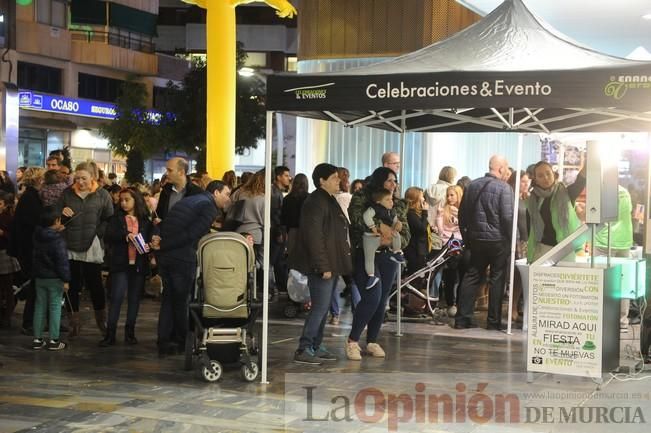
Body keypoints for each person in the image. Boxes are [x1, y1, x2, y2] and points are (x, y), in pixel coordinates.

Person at [290, 163, 352, 365]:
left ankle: (316, 345)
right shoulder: (315, 202)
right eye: (334, 178)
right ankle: (304, 348)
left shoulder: (329, 200)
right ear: (322, 181)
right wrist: (322, 265)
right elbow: (314, 236)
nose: (339, 181)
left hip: (332, 263)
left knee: (324, 308)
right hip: (322, 265)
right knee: (319, 308)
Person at [347, 167, 410, 360]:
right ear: (379, 181)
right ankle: (352, 341)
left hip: (387, 255)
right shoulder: (361, 198)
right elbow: (358, 221)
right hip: (366, 253)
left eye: (395, 181)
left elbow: (405, 233)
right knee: (372, 296)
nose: (394, 185)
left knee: (382, 300)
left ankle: (372, 340)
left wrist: (390, 239)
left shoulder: (398, 204)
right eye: (390, 181)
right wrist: (381, 227)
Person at [152, 189, 219, 356]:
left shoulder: (191, 200)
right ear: (216, 192)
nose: (228, 198)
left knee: (168, 299)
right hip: (182, 258)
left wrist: (163, 246)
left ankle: (163, 341)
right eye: (226, 193)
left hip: (167, 258)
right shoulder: (209, 206)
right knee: (181, 301)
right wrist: (165, 245)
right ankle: (183, 342)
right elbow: (193, 234)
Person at [455, 155, 513, 330]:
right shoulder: (505, 188)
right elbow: (507, 217)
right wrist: (512, 240)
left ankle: (462, 318)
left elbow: (462, 214)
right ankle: (493, 321)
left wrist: (467, 238)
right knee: (497, 278)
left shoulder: (472, 185)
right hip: (497, 241)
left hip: (475, 240)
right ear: (501, 169)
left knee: (472, 276)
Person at [57, 161, 114, 336]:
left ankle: (101, 321)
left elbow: (108, 218)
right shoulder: (67, 193)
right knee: (72, 285)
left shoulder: (102, 195)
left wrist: (99, 233)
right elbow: (56, 218)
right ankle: (74, 322)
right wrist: (61, 214)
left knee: (95, 284)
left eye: (84, 178)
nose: (80, 182)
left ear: (93, 177)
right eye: (77, 178)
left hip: (92, 244)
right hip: (70, 243)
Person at [100, 188, 153, 347]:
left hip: (138, 263)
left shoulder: (145, 220)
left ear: (135, 200)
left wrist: (151, 244)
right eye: (121, 200)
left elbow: (150, 239)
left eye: (127, 200)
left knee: (134, 299)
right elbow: (108, 236)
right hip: (120, 263)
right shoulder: (116, 219)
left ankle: (130, 332)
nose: (123, 203)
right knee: (116, 298)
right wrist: (125, 236)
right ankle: (111, 333)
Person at [9, 167, 45, 334]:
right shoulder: (31, 198)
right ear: (38, 179)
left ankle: (31, 320)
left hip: (28, 247)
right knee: (34, 284)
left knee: (34, 284)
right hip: (29, 248)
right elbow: (33, 224)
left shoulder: (30, 196)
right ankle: (29, 321)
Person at [526, 161, 585, 263]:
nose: (546, 178)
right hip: (542, 250)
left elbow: (580, 181)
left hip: (565, 249)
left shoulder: (566, 194)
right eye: (540, 176)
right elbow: (530, 230)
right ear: (535, 180)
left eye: (548, 173)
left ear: (554, 174)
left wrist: (590, 160)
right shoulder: (532, 200)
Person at [594, 185, 633, 331]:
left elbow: (596, 215)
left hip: (604, 241)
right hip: (624, 241)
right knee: (623, 283)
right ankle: (622, 321)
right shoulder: (625, 191)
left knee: (601, 282)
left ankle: (602, 320)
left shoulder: (602, 190)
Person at [31, 206, 70, 351]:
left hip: (40, 278)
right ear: (57, 220)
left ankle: (37, 339)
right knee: (55, 308)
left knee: (39, 307)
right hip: (55, 279)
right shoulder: (58, 241)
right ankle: (54, 340)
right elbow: (62, 262)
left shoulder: (37, 236)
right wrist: (66, 279)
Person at [361, 188, 405, 289]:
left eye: (391, 199)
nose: (391, 202)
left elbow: (395, 221)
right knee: (369, 258)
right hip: (371, 237)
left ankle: (396, 251)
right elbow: (366, 216)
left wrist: (398, 225)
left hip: (385, 238)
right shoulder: (375, 208)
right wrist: (373, 227)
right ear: (378, 201)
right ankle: (371, 276)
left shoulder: (391, 211)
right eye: (387, 200)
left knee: (396, 235)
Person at [436, 185, 464, 315]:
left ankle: (459, 302)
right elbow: (441, 229)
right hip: (449, 243)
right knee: (450, 275)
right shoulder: (443, 210)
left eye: (452, 195)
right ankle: (450, 303)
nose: (449, 197)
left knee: (461, 275)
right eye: (448, 195)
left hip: (462, 244)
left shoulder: (464, 210)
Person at [155, 157, 203, 222]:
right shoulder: (165, 191)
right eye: (166, 170)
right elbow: (159, 214)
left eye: (170, 170)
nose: (166, 173)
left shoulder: (197, 193)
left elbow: (200, 220)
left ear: (181, 172)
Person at [0, 192, 19, 329]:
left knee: (7, 287)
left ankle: (7, 317)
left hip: (4, 253)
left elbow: (14, 236)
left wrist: (3, 233)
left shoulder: (8, 218)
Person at [271, 166, 291, 295]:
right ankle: (280, 287)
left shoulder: (277, 191)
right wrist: (279, 232)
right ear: (278, 177)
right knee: (276, 261)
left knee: (279, 261)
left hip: (279, 230)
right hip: (276, 231)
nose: (288, 178)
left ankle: (281, 287)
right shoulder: (274, 192)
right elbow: (275, 213)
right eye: (285, 175)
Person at [425, 166, 457, 246]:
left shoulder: (428, 189)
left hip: (426, 227)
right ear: (452, 177)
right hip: (442, 231)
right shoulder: (450, 192)